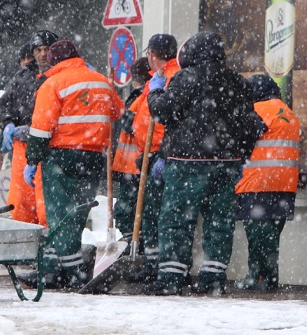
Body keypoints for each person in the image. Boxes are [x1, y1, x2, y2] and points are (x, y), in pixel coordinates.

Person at [142, 31, 265, 296]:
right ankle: (213, 277)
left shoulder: (186, 78)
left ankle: (171, 279)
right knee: (219, 219)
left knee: (176, 219)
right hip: (226, 164)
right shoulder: (237, 82)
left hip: (187, 162)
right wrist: (240, 156)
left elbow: (163, 110)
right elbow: (251, 124)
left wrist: (155, 93)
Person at [23, 40, 124, 290]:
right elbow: (117, 112)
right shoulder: (101, 80)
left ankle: (73, 271)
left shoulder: (53, 83)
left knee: (60, 216)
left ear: (55, 61)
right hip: (92, 156)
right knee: (77, 214)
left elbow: (41, 129)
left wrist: (32, 160)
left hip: (61, 156)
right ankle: (51, 268)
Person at [234, 74, 300, 292]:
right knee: (272, 235)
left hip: (258, 183)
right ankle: (270, 277)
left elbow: (241, 142)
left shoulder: (259, 110)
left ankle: (256, 276)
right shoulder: (290, 114)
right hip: (285, 185)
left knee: (257, 235)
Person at [124, 34, 180, 284]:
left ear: (153, 55)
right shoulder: (161, 76)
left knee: (156, 212)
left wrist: (162, 153)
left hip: (160, 153)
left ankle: (158, 264)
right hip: (151, 152)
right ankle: (154, 262)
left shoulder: (170, 76)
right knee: (151, 212)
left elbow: (165, 119)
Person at [0, 30, 58, 225]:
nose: (42, 54)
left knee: (45, 202)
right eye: (38, 49)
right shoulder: (23, 76)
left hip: (50, 146)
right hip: (22, 148)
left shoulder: (59, 76)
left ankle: (48, 243)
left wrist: (34, 129)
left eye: (47, 49)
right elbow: (4, 104)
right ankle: (25, 241)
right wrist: (7, 123)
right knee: (21, 201)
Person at [112, 56, 152, 237]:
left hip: (133, 165)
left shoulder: (140, 97)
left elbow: (128, 124)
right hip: (136, 165)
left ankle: (132, 248)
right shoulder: (146, 96)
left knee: (127, 212)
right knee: (136, 211)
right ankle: (135, 245)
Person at [0, 41, 36, 177]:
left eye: (29, 58)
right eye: (22, 59)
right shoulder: (18, 82)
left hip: (38, 150)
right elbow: (10, 118)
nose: (25, 62)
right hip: (19, 151)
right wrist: (0, 149)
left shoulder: (41, 81)